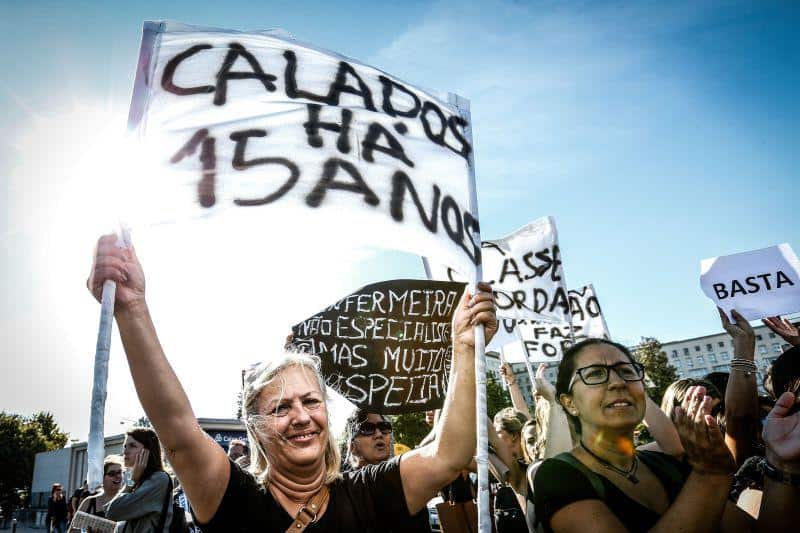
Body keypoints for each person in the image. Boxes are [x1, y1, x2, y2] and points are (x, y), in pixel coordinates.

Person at [86, 234, 498, 531]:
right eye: (281, 408)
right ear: (256, 429)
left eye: (311, 401)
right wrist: (132, 307)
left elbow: (449, 454)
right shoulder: (234, 498)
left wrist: (464, 348)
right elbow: (176, 428)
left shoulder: (370, 491)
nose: (302, 416)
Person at [533, 337, 800, 532]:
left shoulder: (670, 466)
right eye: (595, 374)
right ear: (568, 403)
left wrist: (781, 462)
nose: (617, 382)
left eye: (627, 371)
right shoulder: (557, 475)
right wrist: (708, 476)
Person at [104, 427, 172, 532]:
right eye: (125, 446)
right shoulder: (137, 479)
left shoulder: (159, 479)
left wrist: (131, 483)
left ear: (147, 452)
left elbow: (113, 512)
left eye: (132, 446)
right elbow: (109, 510)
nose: (125, 451)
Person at [71, 455, 124, 530]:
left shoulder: (128, 499)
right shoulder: (89, 502)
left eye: (119, 472)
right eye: (112, 473)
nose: (118, 476)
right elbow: (73, 530)